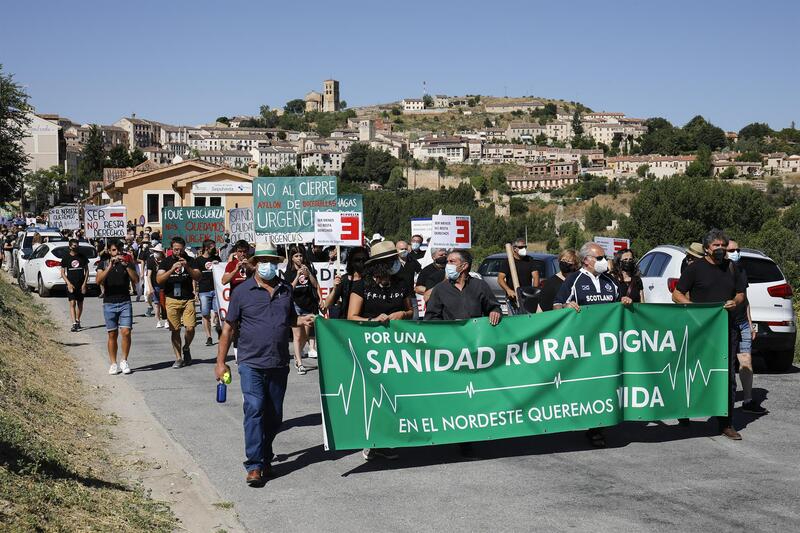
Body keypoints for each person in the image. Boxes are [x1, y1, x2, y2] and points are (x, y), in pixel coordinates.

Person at [215, 240, 314, 486]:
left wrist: (303, 321)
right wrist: (220, 363)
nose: (267, 265)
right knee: (255, 408)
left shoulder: (285, 290)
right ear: (255, 264)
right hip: (250, 361)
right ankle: (255, 464)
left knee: (275, 415)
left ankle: (265, 456)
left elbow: (290, 319)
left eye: (272, 261)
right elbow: (227, 330)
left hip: (279, 362)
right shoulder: (241, 292)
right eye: (263, 262)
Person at [554, 241, 632, 448]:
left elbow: (619, 303)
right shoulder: (574, 279)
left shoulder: (611, 281)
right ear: (586, 260)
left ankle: (597, 429)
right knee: (583, 385)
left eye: (604, 258)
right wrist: (566, 306)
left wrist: (625, 301)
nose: (604, 261)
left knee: (603, 385)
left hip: (607, 345)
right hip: (582, 344)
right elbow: (556, 305)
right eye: (599, 258)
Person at [425, 249, 501, 457]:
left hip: (475, 353)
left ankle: (468, 438)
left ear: (464, 266)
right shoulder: (440, 290)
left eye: (451, 261)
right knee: (455, 394)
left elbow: (493, 307)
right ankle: (452, 434)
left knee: (473, 395)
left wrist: (495, 312)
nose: (447, 264)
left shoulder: (480, 286)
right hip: (451, 353)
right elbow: (430, 319)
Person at [672, 229, 746, 440]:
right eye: (716, 246)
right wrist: (694, 309)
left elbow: (741, 294)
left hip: (726, 329)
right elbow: (676, 294)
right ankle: (683, 410)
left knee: (727, 376)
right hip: (699, 330)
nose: (721, 249)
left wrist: (736, 302)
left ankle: (726, 422)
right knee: (692, 373)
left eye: (723, 245)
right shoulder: (695, 269)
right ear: (706, 249)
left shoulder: (733, 267)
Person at [348, 240, 414, 462]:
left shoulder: (402, 282)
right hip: (371, 348)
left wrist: (402, 315)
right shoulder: (361, 286)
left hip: (397, 349)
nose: (397, 263)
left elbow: (410, 310)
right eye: (392, 260)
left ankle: (386, 441)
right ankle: (371, 439)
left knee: (393, 394)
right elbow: (351, 318)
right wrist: (373, 320)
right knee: (374, 395)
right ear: (379, 265)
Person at [726, 239, 766, 415]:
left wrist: (750, 324)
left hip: (742, 323)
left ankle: (748, 400)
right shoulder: (719, 272)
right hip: (725, 324)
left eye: (738, 249)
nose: (736, 252)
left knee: (746, 362)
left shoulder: (741, 270)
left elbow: (745, 299)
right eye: (732, 250)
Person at [157, 237, 202, 368]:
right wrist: (171, 269)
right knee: (175, 330)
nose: (178, 251)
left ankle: (186, 347)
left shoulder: (191, 260)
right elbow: (159, 280)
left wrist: (187, 266)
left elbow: (198, 276)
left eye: (180, 249)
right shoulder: (166, 262)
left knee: (190, 328)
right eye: (175, 249)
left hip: (188, 298)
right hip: (171, 299)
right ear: (171, 249)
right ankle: (178, 358)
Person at [95, 240, 138, 375]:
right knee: (112, 334)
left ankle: (124, 360)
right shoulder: (103, 263)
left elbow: (136, 280)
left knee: (126, 332)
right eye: (114, 250)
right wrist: (109, 266)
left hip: (125, 301)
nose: (117, 253)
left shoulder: (127, 263)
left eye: (119, 250)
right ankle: (113, 363)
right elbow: (98, 280)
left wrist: (126, 266)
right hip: (109, 303)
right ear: (109, 251)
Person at [284, 246, 320, 374]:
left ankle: (297, 355)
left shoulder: (308, 268)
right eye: (296, 256)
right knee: (297, 336)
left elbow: (316, 285)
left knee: (305, 336)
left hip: (308, 305)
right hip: (295, 305)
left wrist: (308, 274)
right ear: (292, 258)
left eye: (301, 255)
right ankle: (299, 363)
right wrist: (297, 275)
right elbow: (289, 289)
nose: (299, 258)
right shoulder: (289, 271)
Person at [324, 246, 367, 319]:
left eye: (364, 260)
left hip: (365, 323)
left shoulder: (370, 280)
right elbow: (327, 305)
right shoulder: (344, 280)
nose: (361, 262)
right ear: (351, 261)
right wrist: (334, 289)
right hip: (345, 323)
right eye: (357, 260)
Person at [498, 238, 542, 309]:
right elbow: (500, 279)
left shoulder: (530, 260)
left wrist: (533, 292)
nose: (524, 249)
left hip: (527, 297)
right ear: (514, 249)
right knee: (514, 319)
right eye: (521, 247)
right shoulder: (507, 262)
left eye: (525, 247)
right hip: (513, 298)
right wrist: (508, 290)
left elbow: (536, 276)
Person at [195, 239, 222, 346]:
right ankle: (209, 337)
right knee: (205, 314)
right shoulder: (198, 260)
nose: (214, 249)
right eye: (212, 247)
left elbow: (222, 270)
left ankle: (219, 329)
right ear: (206, 248)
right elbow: (195, 276)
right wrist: (195, 290)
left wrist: (218, 264)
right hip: (203, 290)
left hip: (216, 289)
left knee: (217, 313)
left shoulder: (216, 258)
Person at [60, 238, 89, 331]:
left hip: (81, 283)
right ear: (70, 247)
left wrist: (84, 283)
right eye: (74, 246)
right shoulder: (65, 258)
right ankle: (74, 323)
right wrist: (68, 284)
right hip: (71, 284)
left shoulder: (82, 257)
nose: (76, 247)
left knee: (80, 303)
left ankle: (78, 319)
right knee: (72, 302)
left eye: (77, 245)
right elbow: (63, 273)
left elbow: (87, 270)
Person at [145, 243, 167, 328]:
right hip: (155, 285)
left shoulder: (165, 261)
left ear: (161, 252)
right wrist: (150, 287)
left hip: (164, 285)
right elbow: (149, 275)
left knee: (165, 304)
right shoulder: (151, 260)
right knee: (157, 304)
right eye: (154, 251)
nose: (155, 253)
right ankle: (158, 320)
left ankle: (166, 320)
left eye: (157, 251)